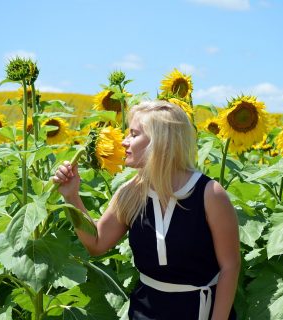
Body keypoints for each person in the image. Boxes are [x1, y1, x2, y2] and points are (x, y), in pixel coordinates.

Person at [53, 100, 240, 320]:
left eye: (133, 134)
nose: (124, 142)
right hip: (144, 312)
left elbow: (230, 266)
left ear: (161, 141)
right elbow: (97, 243)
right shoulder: (130, 192)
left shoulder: (209, 194)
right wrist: (72, 197)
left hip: (199, 310)